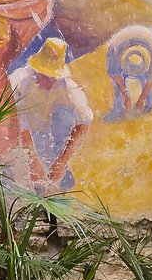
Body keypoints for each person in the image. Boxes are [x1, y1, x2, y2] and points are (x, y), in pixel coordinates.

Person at [9, 36, 93, 192]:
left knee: (64, 115)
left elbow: (86, 120)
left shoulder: (67, 87)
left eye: (52, 76)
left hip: (51, 133)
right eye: (43, 74)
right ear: (36, 69)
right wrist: (33, 160)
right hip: (21, 133)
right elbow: (19, 122)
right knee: (26, 175)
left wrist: (62, 162)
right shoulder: (20, 81)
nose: (47, 80)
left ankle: (59, 174)